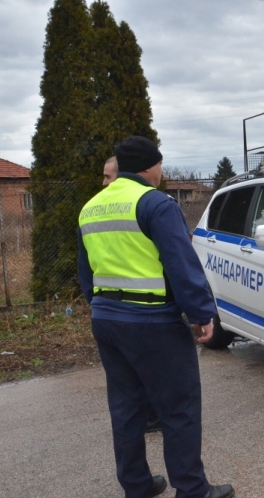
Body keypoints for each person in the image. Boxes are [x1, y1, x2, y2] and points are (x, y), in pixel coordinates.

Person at [78, 136, 234, 498]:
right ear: (150, 167)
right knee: (178, 407)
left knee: (127, 407)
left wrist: (103, 309)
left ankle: (137, 487)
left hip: (107, 319)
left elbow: (86, 272)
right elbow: (181, 263)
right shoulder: (155, 204)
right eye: (160, 166)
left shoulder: (91, 208)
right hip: (152, 322)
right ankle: (191, 490)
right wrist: (201, 315)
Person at [101, 154, 163, 435]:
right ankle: (189, 479)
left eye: (107, 176)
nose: (103, 182)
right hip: (145, 311)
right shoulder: (150, 204)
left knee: (126, 392)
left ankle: (135, 478)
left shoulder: (94, 209)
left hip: (109, 313)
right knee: (158, 381)